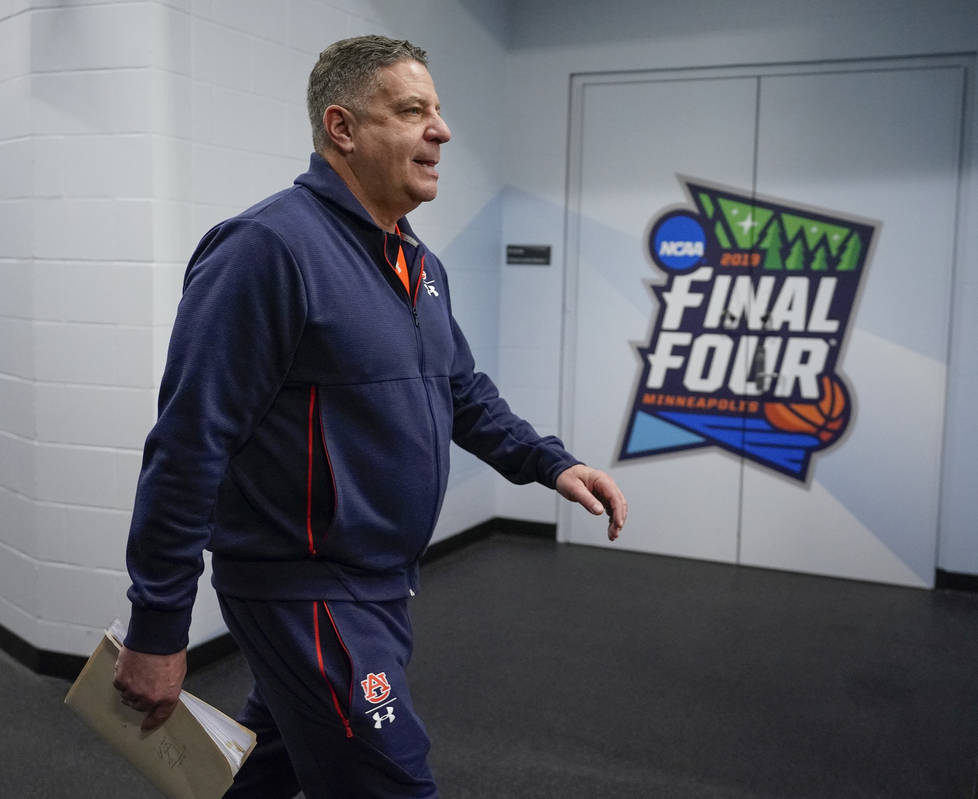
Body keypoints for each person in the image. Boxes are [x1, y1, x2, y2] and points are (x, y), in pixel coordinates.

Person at [113, 35, 627, 798]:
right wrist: (158, 627)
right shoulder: (267, 249)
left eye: (440, 111)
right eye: (413, 110)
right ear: (343, 128)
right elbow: (190, 443)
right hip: (305, 588)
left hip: (380, 583)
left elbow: (460, 391)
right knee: (391, 782)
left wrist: (549, 460)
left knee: (277, 760)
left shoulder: (416, 262)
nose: (442, 131)